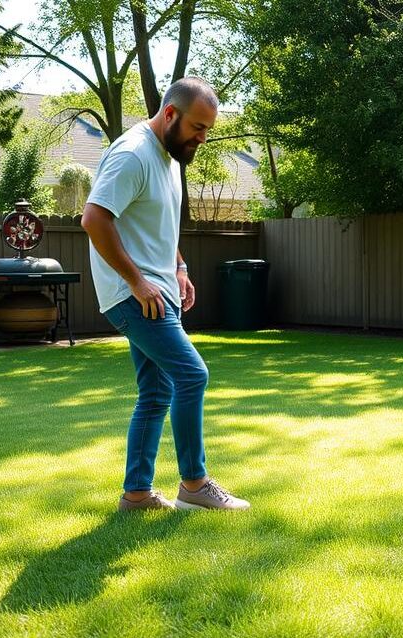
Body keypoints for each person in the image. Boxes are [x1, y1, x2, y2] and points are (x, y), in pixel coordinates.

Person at [81, 76, 249, 512]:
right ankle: (194, 482)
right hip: (134, 295)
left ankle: (136, 494)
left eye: (208, 129)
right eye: (198, 127)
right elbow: (95, 218)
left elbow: (158, 225)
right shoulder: (133, 154)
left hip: (158, 289)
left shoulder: (171, 157)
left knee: (156, 393)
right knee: (192, 375)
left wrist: (179, 267)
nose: (203, 138)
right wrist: (137, 281)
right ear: (170, 114)